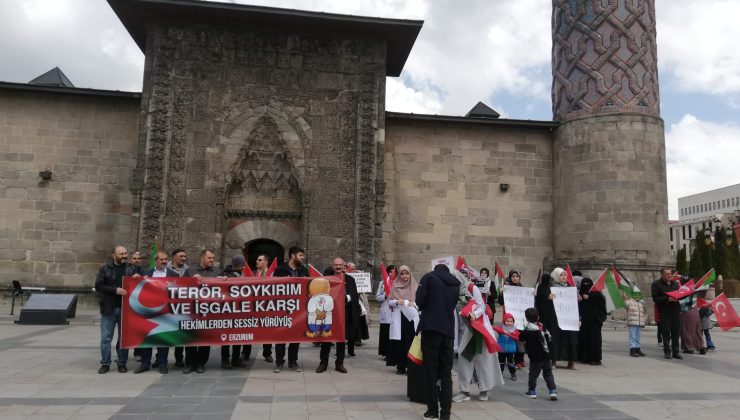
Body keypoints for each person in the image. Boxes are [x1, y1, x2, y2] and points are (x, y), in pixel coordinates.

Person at [452, 270, 504, 403]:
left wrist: (474, 314)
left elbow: (481, 305)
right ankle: (464, 391)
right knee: (464, 361)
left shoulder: (471, 287)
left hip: (478, 328)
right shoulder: (450, 290)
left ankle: (484, 389)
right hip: (465, 330)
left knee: (483, 360)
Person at [416, 264, 460, 420]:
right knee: (446, 373)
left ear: (436, 269)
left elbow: (419, 300)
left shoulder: (429, 277)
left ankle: (433, 411)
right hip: (448, 331)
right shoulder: (456, 282)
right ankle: (446, 414)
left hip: (431, 329)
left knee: (430, 372)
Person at [95, 245, 140, 374]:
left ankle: (122, 363)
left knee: (123, 338)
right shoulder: (105, 269)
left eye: (126, 253)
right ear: (114, 255)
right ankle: (105, 363)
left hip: (126, 309)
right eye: (121, 254)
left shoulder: (131, 269)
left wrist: (137, 279)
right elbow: (98, 285)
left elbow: (139, 286)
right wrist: (115, 290)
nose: (124, 256)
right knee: (105, 338)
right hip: (108, 308)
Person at [135, 251, 179, 374]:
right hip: (148, 311)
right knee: (146, 337)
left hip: (165, 311)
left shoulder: (173, 275)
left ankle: (162, 363)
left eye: (166, 259)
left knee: (163, 338)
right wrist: (135, 278)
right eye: (161, 260)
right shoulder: (146, 273)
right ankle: (145, 364)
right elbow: (138, 287)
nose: (164, 261)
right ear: (156, 260)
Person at [317, 257, 361, 374]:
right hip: (329, 313)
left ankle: (339, 363)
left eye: (340, 265)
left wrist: (346, 298)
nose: (337, 267)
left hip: (345, 312)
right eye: (335, 265)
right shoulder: (326, 279)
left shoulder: (350, 280)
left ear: (344, 266)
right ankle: (323, 363)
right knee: (326, 338)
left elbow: (355, 296)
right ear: (332, 266)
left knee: (341, 338)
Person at [183, 248, 221, 373]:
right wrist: (191, 280)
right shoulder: (190, 271)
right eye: (210, 258)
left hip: (209, 312)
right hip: (192, 311)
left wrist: (225, 279)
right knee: (190, 339)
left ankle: (201, 364)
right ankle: (189, 364)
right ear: (202, 258)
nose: (212, 260)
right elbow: (180, 287)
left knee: (205, 339)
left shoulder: (216, 271)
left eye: (213, 258)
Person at [273, 246, 309, 372]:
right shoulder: (280, 270)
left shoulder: (304, 270)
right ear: (293, 256)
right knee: (281, 337)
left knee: (295, 337)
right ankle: (279, 363)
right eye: (300, 255)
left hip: (298, 311)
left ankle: (293, 362)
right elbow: (273, 289)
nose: (302, 257)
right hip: (283, 309)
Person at [536, 269, 577, 369]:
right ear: (556, 276)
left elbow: (574, 304)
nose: (564, 277)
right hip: (554, 317)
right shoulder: (550, 287)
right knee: (555, 338)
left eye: (565, 275)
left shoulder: (570, 287)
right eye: (561, 275)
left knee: (570, 339)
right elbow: (541, 301)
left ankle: (571, 362)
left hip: (568, 317)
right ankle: (553, 361)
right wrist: (548, 298)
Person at [385, 265, 419, 375]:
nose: (405, 276)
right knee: (400, 342)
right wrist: (396, 302)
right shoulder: (395, 287)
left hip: (410, 320)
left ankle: (411, 366)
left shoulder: (415, 287)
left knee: (410, 341)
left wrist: (413, 304)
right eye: (402, 274)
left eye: (407, 273)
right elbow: (389, 302)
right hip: (399, 318)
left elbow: (420, 303)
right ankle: (400, 366)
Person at [519, 307, 557, 401]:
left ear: (526, 318)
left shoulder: (527, 330)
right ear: (538, 317)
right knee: (548, 374)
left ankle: (532, 392)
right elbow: (549, 340)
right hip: (546, 355)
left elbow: (521, 338)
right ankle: (552, 391)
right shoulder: (542, 327)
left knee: (533, 374)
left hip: (535, 357)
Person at [220, 255, 248, 370]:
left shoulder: (244, 275)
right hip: (228, 310)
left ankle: (235, 358)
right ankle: (225, 360)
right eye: (241, 266)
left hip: (240, 310)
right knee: (226, 337)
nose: (243, 268)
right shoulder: (225, 275)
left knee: (238, 336)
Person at [651, 268, 683, 360]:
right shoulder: (656, 284)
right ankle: (667, 352)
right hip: (664, 312)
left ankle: (676, 352)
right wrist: (667, 299)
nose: (669, 275)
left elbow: (680, 295)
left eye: (670, 274)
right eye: (667, 274)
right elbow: (655, 298)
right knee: (666, 333)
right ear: (662, 275)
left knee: (676, 333)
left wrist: (680, 296)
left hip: (676, 311)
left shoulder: (675, 284)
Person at [498, 269, 526, 367]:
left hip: (519, 317)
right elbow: (501, 302)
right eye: (513, 276)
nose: (515, 278)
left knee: (519, 337)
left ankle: (519, 359)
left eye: (517, 276)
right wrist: (501, 293)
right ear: (510, 277)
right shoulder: (506, 287)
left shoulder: (522, 288)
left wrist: (532, 295)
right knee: (509, 336)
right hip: (509, 318)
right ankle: (508, 358)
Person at [167, 248, 189, 368]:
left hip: (181, 305)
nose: (183, 259)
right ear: (174, 256)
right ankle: (160, 359)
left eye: (185, 256)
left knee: (180, 333)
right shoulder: (167, 268)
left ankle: (179, 358)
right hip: (167, 305)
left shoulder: (187, 270)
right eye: (181, 256)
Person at [577, 278, 606, 365]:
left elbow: (601, 306)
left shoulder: (597, 294)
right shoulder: (580, 295)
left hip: (595, 321)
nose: (585, 286)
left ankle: (595, 358)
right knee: (584, 339)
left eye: (587, 284)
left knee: (594, 340)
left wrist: (590, 297)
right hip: (584, 321)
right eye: (584, 284)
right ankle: (584, 357)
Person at [251, 254, 274, 364]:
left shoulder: (272, 274)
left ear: (266, 262)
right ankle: (246, 353)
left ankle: (267, 353)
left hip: (267, 306)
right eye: (257, 259)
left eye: (259, 260)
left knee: (267, 330)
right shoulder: (253, 273)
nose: (257, 261)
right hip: (254, 306)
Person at [679, 277, 706, 355]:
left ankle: (689, 347)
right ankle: (701, 347)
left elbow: (683, 303)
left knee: (687, 330)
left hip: (686, 311)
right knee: (697, 330)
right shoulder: (694, 289)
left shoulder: (682, 289)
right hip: (695, 310)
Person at [375, 264, 396, 359]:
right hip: (386, 310)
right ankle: (385, 352)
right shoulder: (382, 283)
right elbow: (377, 297)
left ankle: (393, 353)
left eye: (394, 271)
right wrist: (385, 296)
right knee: (385, 332)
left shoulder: (399, 283)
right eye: (390, 271)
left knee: (394, 333)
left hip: (395, 311)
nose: (392, 273)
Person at [496, 313, 519, 381]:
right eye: (507, 321)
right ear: (504, 321)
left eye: (511, 321)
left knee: (510, 362)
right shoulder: (500, 328)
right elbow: (496, 329)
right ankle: (500, 374)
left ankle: (513, 373)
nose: (509, 323)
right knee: (501, 362)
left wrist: (514, 334)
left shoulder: (515, 329)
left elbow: (518, 336)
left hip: (510, 349)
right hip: (501, 349)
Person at [625, 291, 646, 357]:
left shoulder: (641, 302)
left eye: (639, 294)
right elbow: (625, 306)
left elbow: (644, 312)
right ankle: (632, 349)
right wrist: (625, 299)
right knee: (633, 336)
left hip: (639, 322)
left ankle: (638, 348)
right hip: (633, 321)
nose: (637, 296)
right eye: (636, 294)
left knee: (638, 336)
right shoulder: (629, 301)